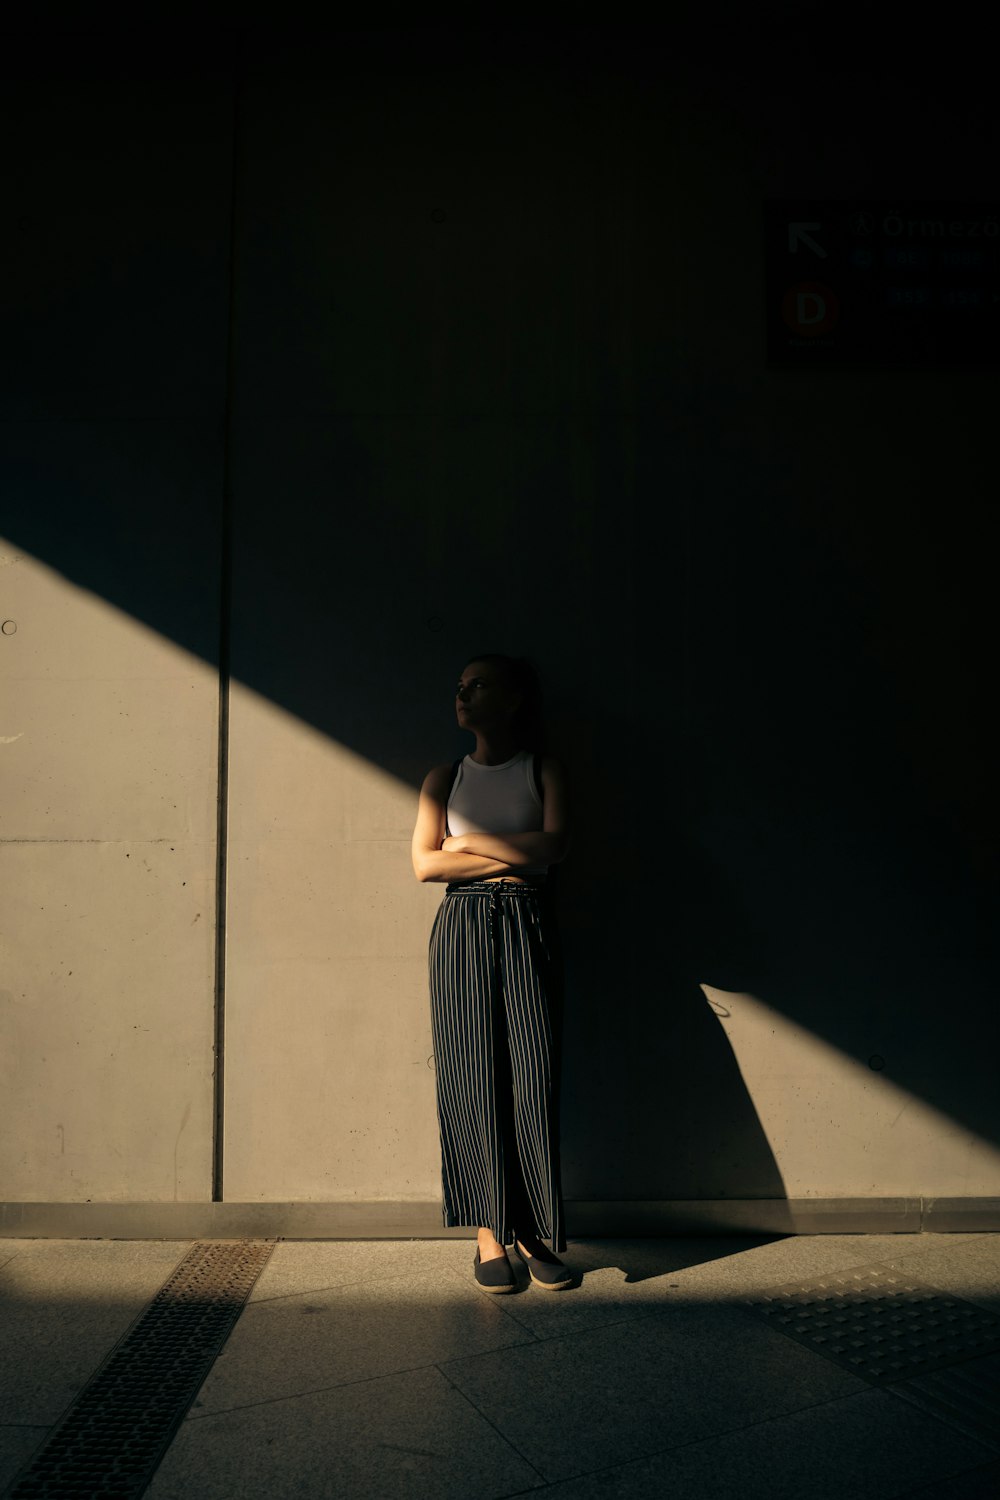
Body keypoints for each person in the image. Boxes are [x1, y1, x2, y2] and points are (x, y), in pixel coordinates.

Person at [411, 654, 573, 1292]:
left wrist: (467, 846)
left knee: (532, 1076)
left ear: (514, 699)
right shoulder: (442, 779)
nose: (462, 694)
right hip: (463, 929)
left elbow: (555, 849)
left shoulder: (543, 770)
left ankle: (533, 1228)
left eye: (477, 685)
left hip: (529, 925)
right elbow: (425, 868)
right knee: (470, 1071)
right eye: (459, 686)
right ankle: (488, 1230)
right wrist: (513, 858)